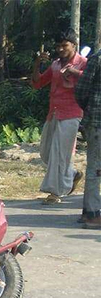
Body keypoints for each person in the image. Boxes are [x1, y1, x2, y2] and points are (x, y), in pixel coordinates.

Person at [31, 29, 87, 205]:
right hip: (54, 112)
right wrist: (37, 63)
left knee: (60, 154)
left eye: (65, 45)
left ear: (74, 46)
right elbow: (38, 83)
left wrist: (75, 72)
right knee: (46, 152)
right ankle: (71, 174)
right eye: (58, 46)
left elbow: (93, 80)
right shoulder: (55, 64)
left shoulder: (83, 62)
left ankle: (56, 193)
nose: (61, 49)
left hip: (73, 113)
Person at [75, 48, 101, 228]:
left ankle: (88, 212)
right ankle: (92, 214)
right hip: (97, 123)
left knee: (95, 168)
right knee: (96, 169)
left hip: (95, 121)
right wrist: (91, 112)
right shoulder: (97, 59)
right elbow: (81, 90)